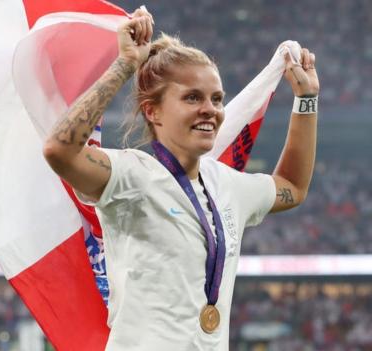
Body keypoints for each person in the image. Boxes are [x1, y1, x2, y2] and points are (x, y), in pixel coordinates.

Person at [42, 7, 318, 351]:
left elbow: (292, 187)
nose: (211, 109)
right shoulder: (132, 175)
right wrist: (125, 65)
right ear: (152, 111)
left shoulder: (229, 185)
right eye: (192, 97)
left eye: (216, 99)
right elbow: (60, 150)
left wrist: (306, 101)